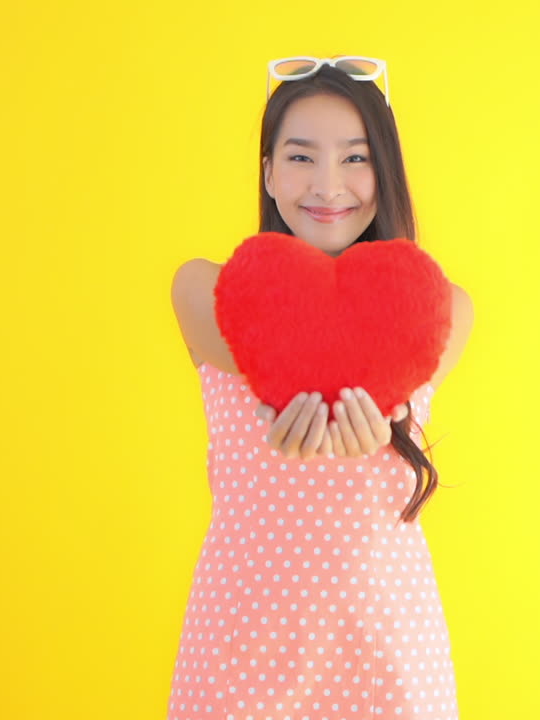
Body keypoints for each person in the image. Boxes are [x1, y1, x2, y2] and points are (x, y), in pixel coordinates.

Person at [166, 56, 474, 720]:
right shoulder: (205, 291)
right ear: (269, 173)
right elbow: (281, 350)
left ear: (384, 173)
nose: (328, 185)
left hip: (388, 647)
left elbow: (367, 353)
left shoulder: (440, 309)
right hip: (241, 646)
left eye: (355, 158)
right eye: (301, 158)